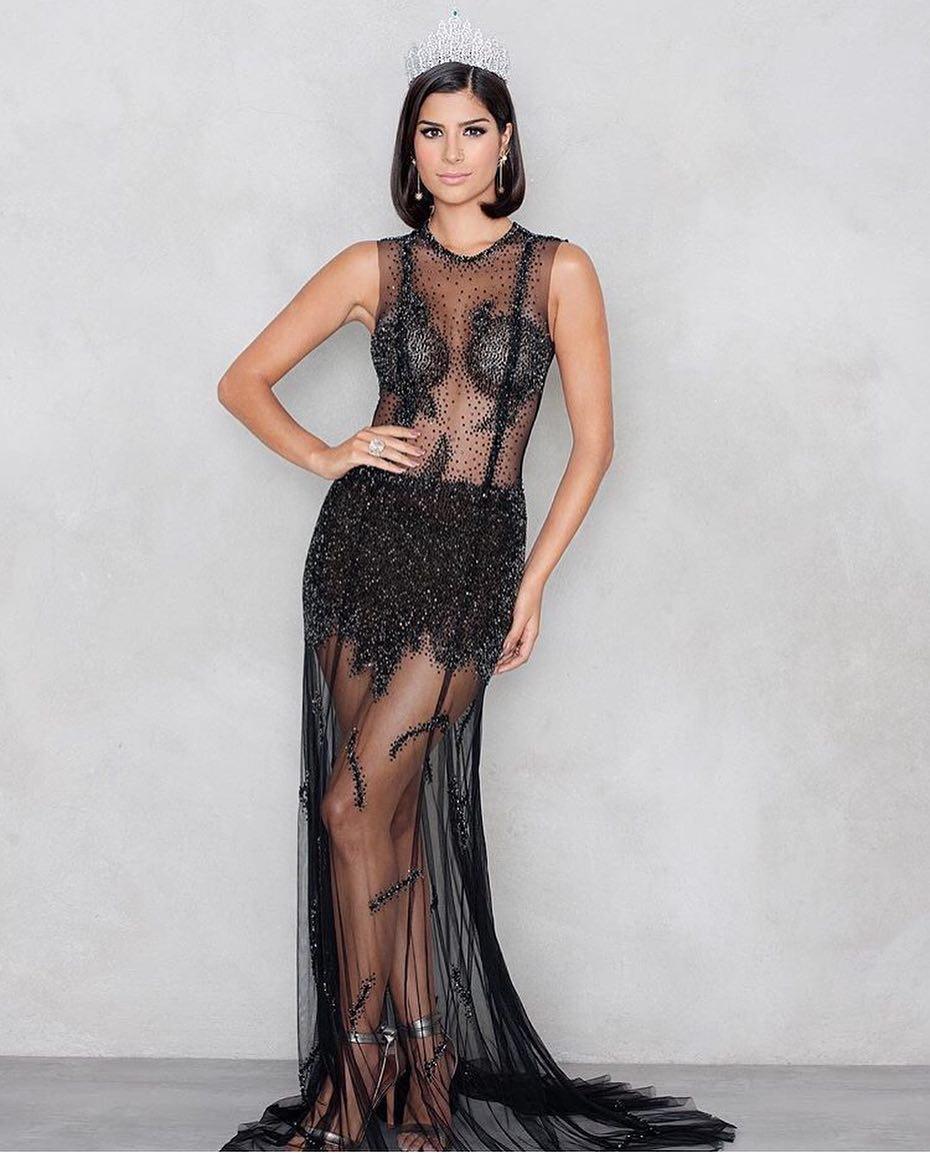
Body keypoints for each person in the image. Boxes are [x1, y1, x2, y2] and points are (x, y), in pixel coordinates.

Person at [217, 11, 737, 1152]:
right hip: (359, 551)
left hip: (472, 559)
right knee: (376, 819)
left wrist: (534, 582)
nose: (452, 151)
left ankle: (377, 1077)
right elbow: (242, 381)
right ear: (410, 148)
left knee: (358, 803)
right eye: (432, 131)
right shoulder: (373, 266)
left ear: (506, 142)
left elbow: (594, 444)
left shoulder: (559, 270)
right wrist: (329, 453)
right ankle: (404, 1075)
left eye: (472, 130)